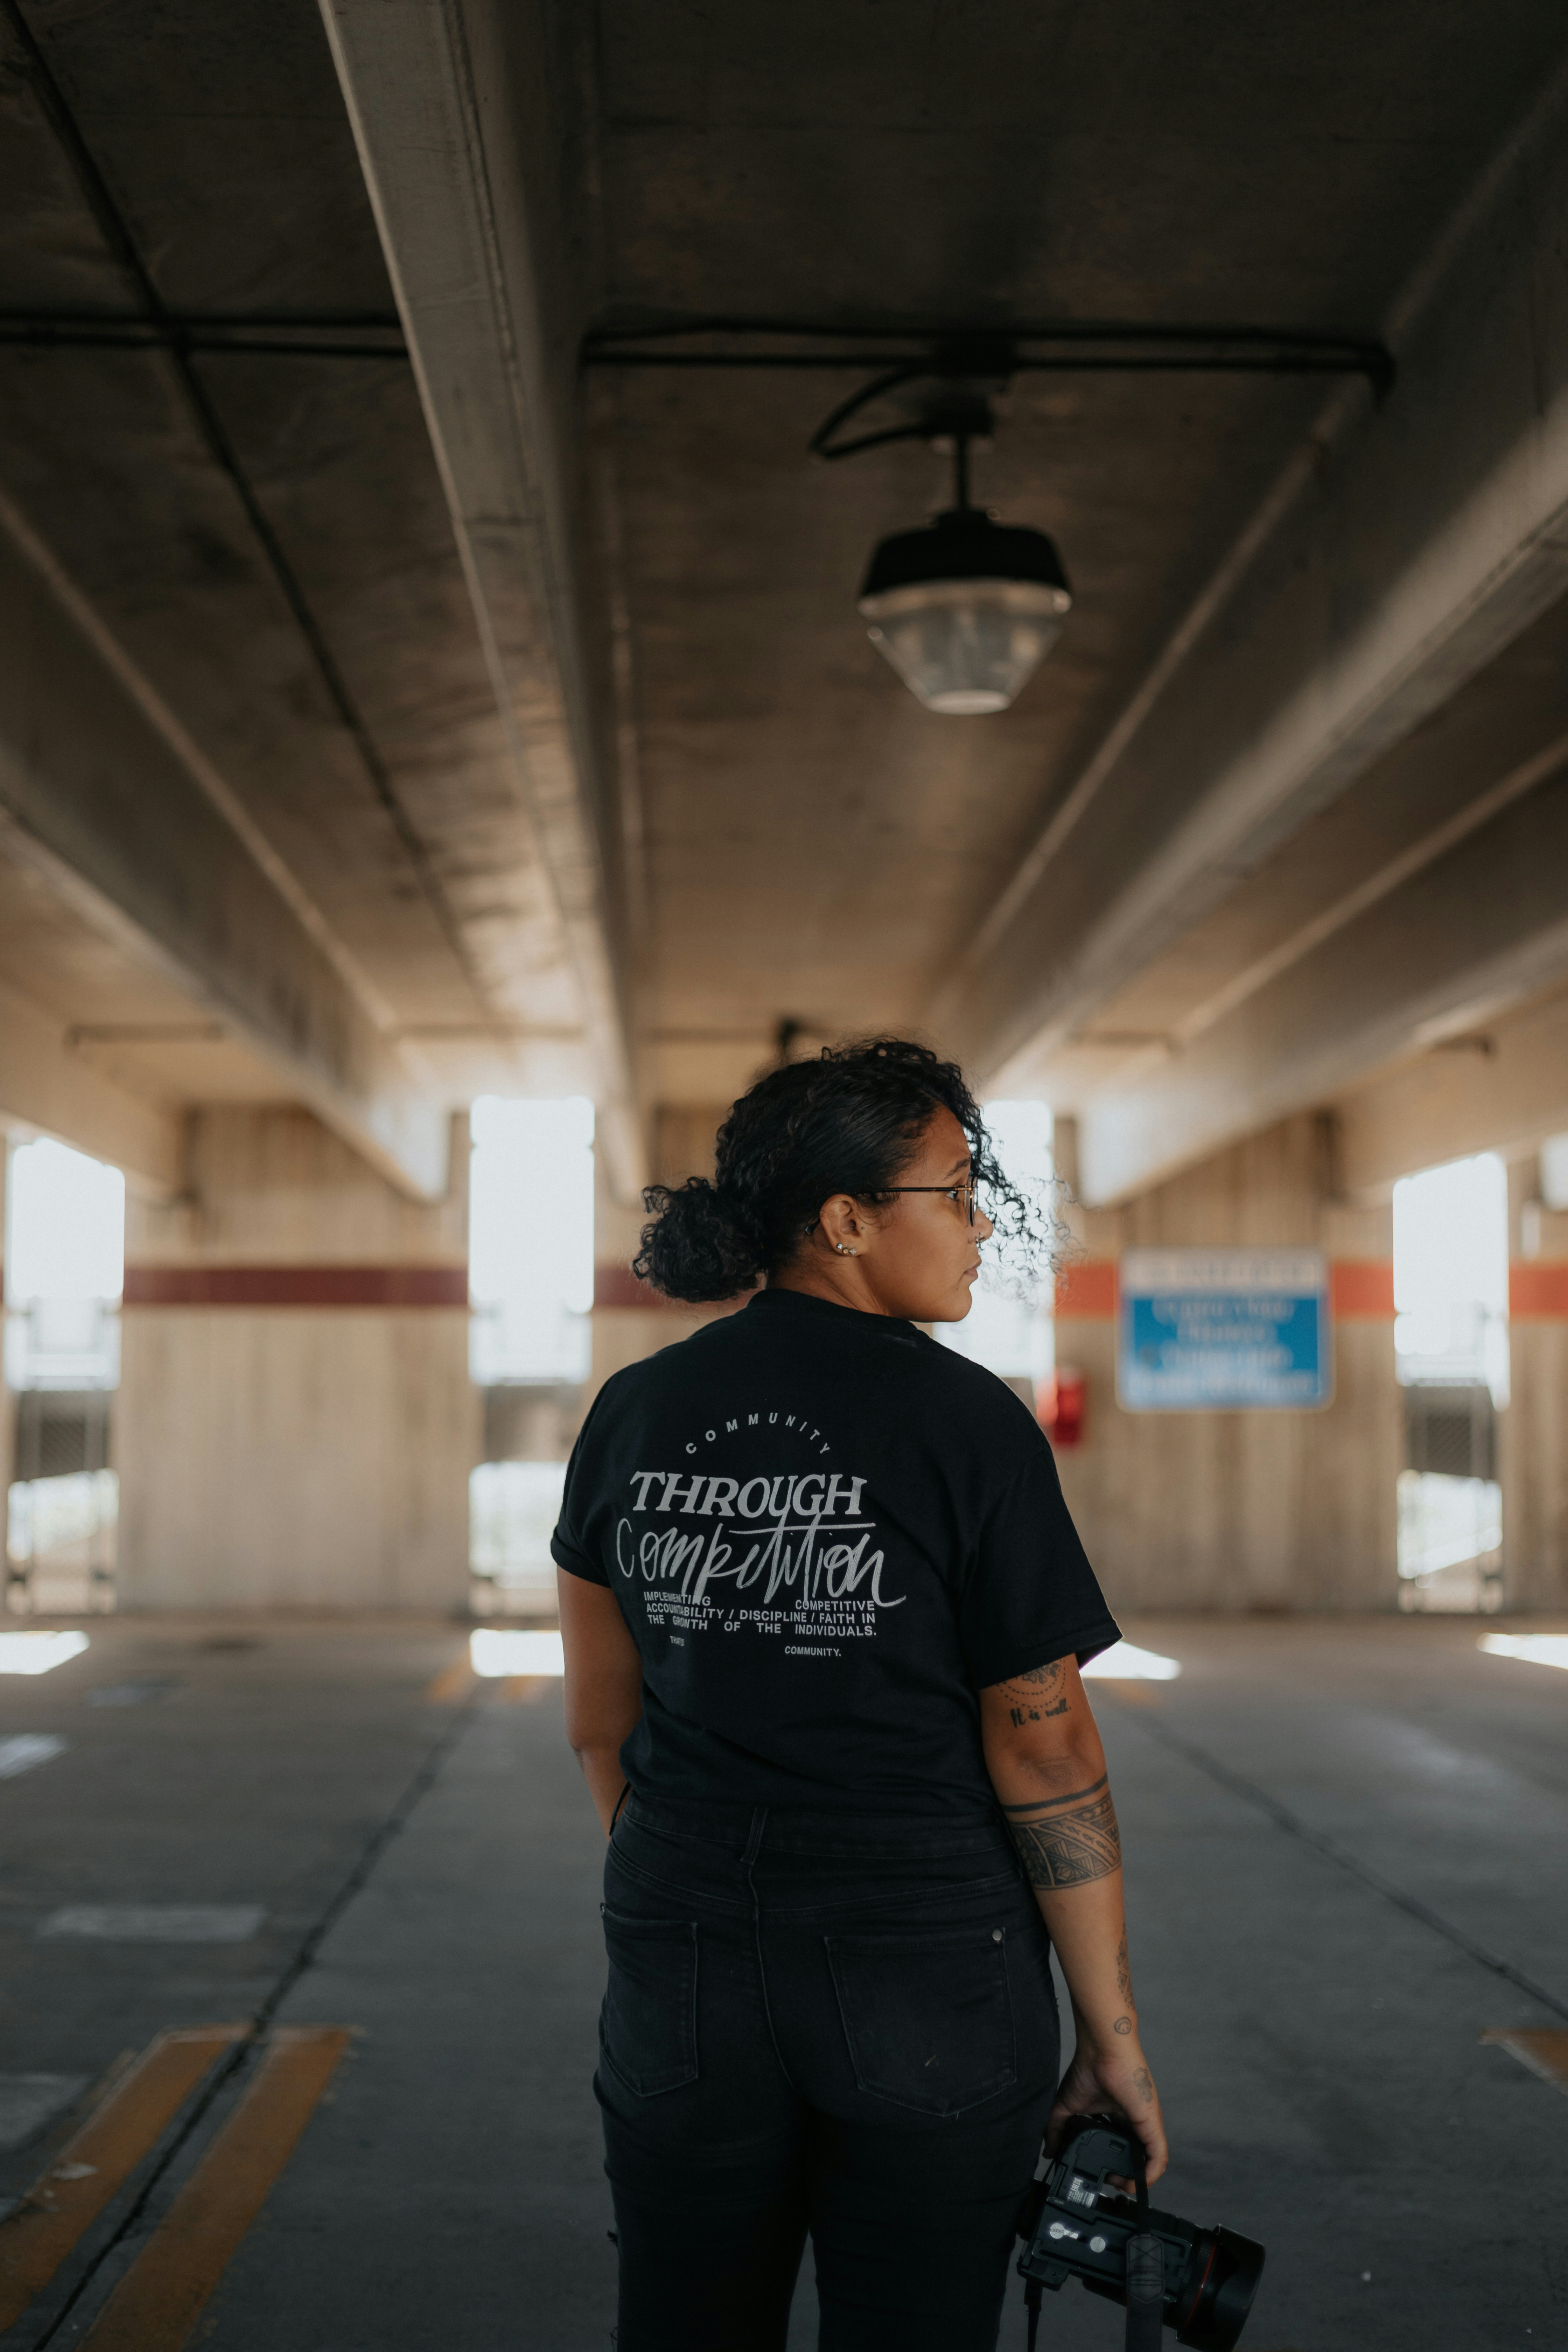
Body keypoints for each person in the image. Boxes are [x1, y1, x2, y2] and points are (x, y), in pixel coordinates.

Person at [553, 1038, 1166, 2352]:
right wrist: (1111, 2037)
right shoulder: (965, 1423)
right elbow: (1047, 1756)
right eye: (956, 1191)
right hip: (924, 1962)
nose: (981, 1225)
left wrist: (693, 1897)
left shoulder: (635, 1411)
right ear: (845, 1221)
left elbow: (601, 1722)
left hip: (682, 1942)